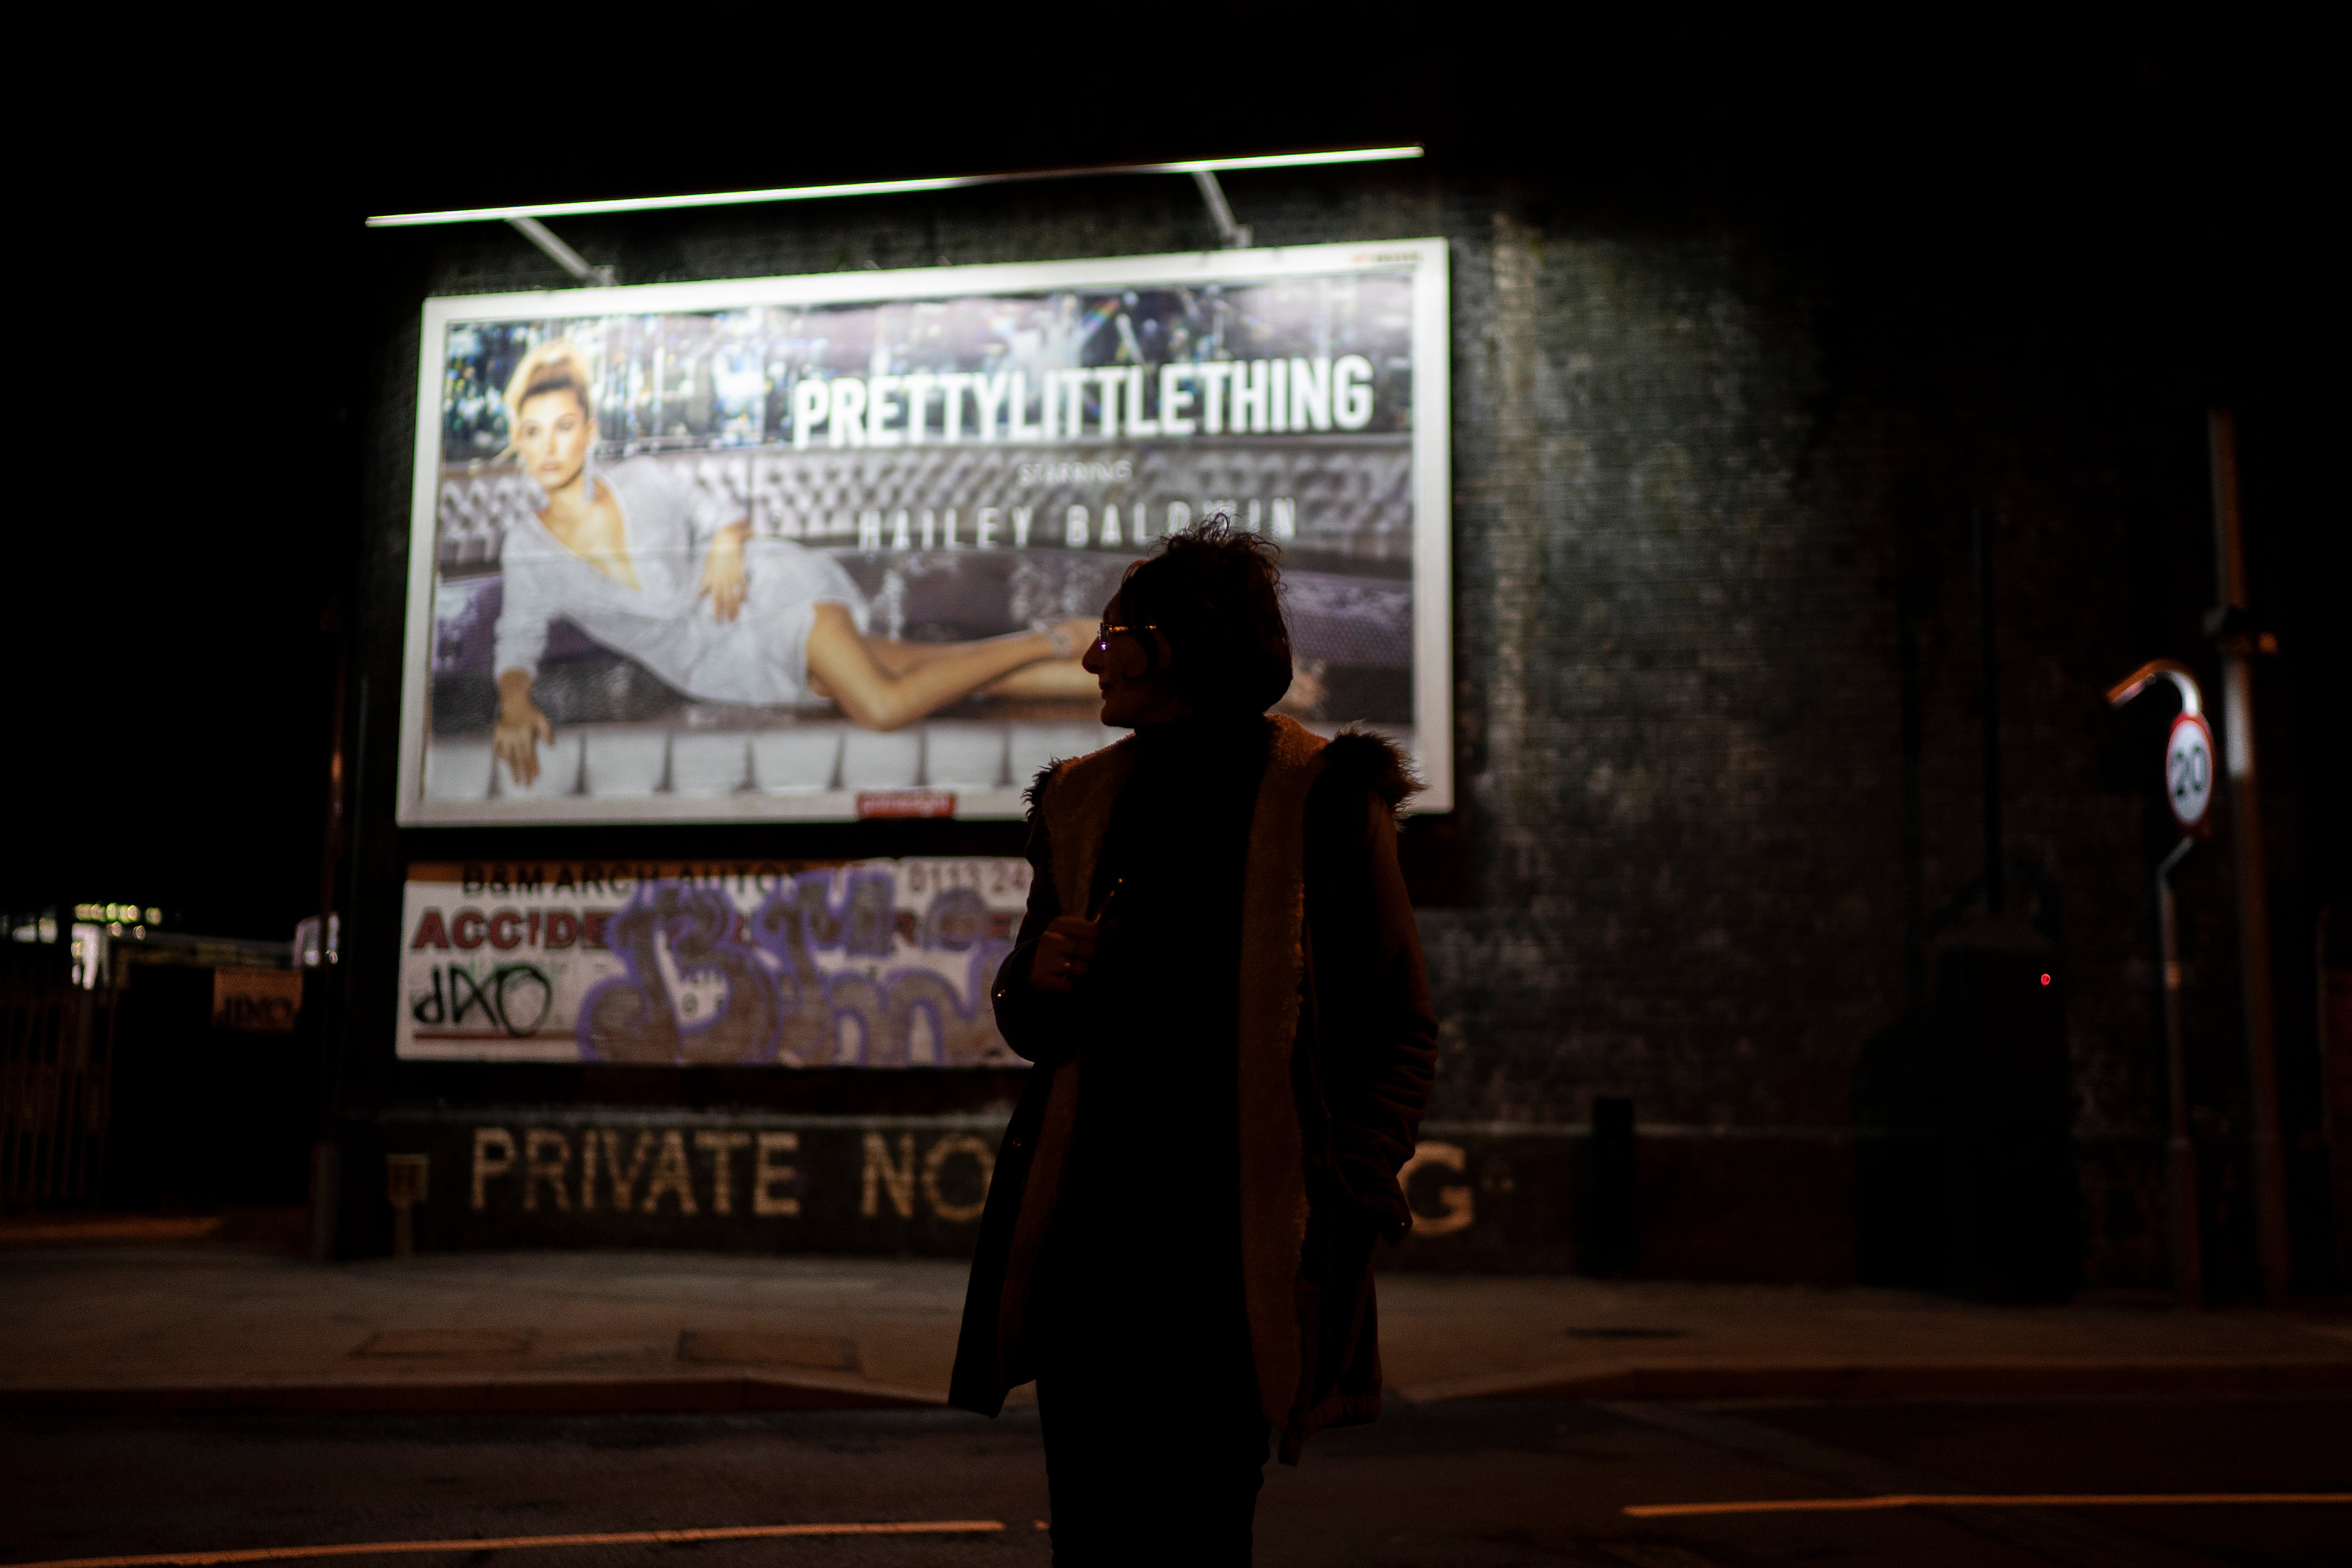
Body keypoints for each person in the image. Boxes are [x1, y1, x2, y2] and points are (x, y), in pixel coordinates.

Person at [948, 520, 1438, 1565]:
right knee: (1093, 1538)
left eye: (1118, 633)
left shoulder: (1324, 797)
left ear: (1186, 644)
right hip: (1092, 1271)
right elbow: (1032, 1025)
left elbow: (1400, 1026)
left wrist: (1338, 1192)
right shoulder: (1080, 801)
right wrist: (1033, 979)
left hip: (1229, 1272)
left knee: (1201, 1536)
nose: (1091, 657)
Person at [486, 340, 1097, 783]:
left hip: (770, 593)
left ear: (589, 431)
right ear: (518, 436)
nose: (550, 446)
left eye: (564, 426)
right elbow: (518, 637)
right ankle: (1111, 676)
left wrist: (726, 540)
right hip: (720, 663)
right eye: (534, 431)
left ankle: (1055, 636)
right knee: (953, 674)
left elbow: (717, 511)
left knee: (881, 708)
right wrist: (515, 700)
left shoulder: (642, 479)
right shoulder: (528, 545)